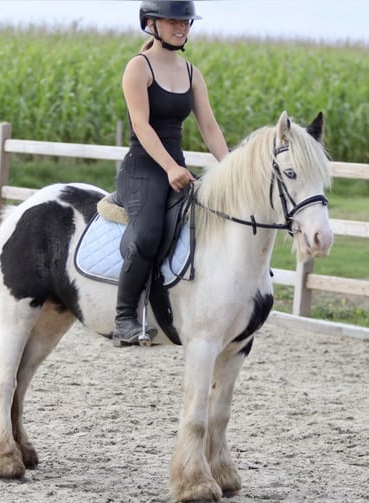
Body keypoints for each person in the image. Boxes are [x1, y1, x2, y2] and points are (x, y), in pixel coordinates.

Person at [113, 0, 229, 347]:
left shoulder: (192, 72)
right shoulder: (138, 67)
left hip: (176, 165)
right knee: (147, 234)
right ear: (151, 24)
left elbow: (208, 126)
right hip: (144, 167)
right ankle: (123, 318)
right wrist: (169, 167)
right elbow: (141, 125)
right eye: (174, 22)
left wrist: (232, 169)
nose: (182, 28)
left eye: (187, 23)